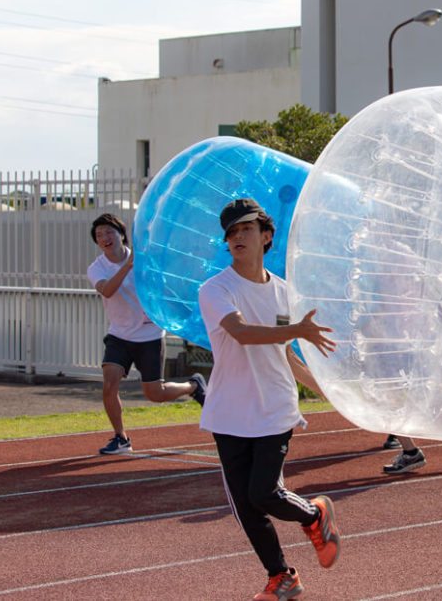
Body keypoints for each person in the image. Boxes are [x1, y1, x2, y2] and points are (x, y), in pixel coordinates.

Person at [197, 198, 341, 601]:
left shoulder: (284, 294)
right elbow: (242, 333)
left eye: (245, 229)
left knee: (264, 493)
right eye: (230, 232)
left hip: (274, 407)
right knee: (246, 506)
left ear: (266, 236)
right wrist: (295, 329)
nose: (236, 237)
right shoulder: (215, 290)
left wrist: (325, 387)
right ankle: (281, 576)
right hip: (228, 412)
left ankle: (315, 515)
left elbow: (286, 352)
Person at [87, 213, 206, 455]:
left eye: (109, 232)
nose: (104, 238)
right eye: (99, 235)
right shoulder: (96, 268)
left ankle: (193, 386)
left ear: (121, 234)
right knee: (109, 384)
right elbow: (108, 291)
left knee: (155, 394)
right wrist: (127, 267)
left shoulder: (145, 260)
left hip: (149, 335)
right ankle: (121, 438)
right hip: (119, 335)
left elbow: (165, 285)